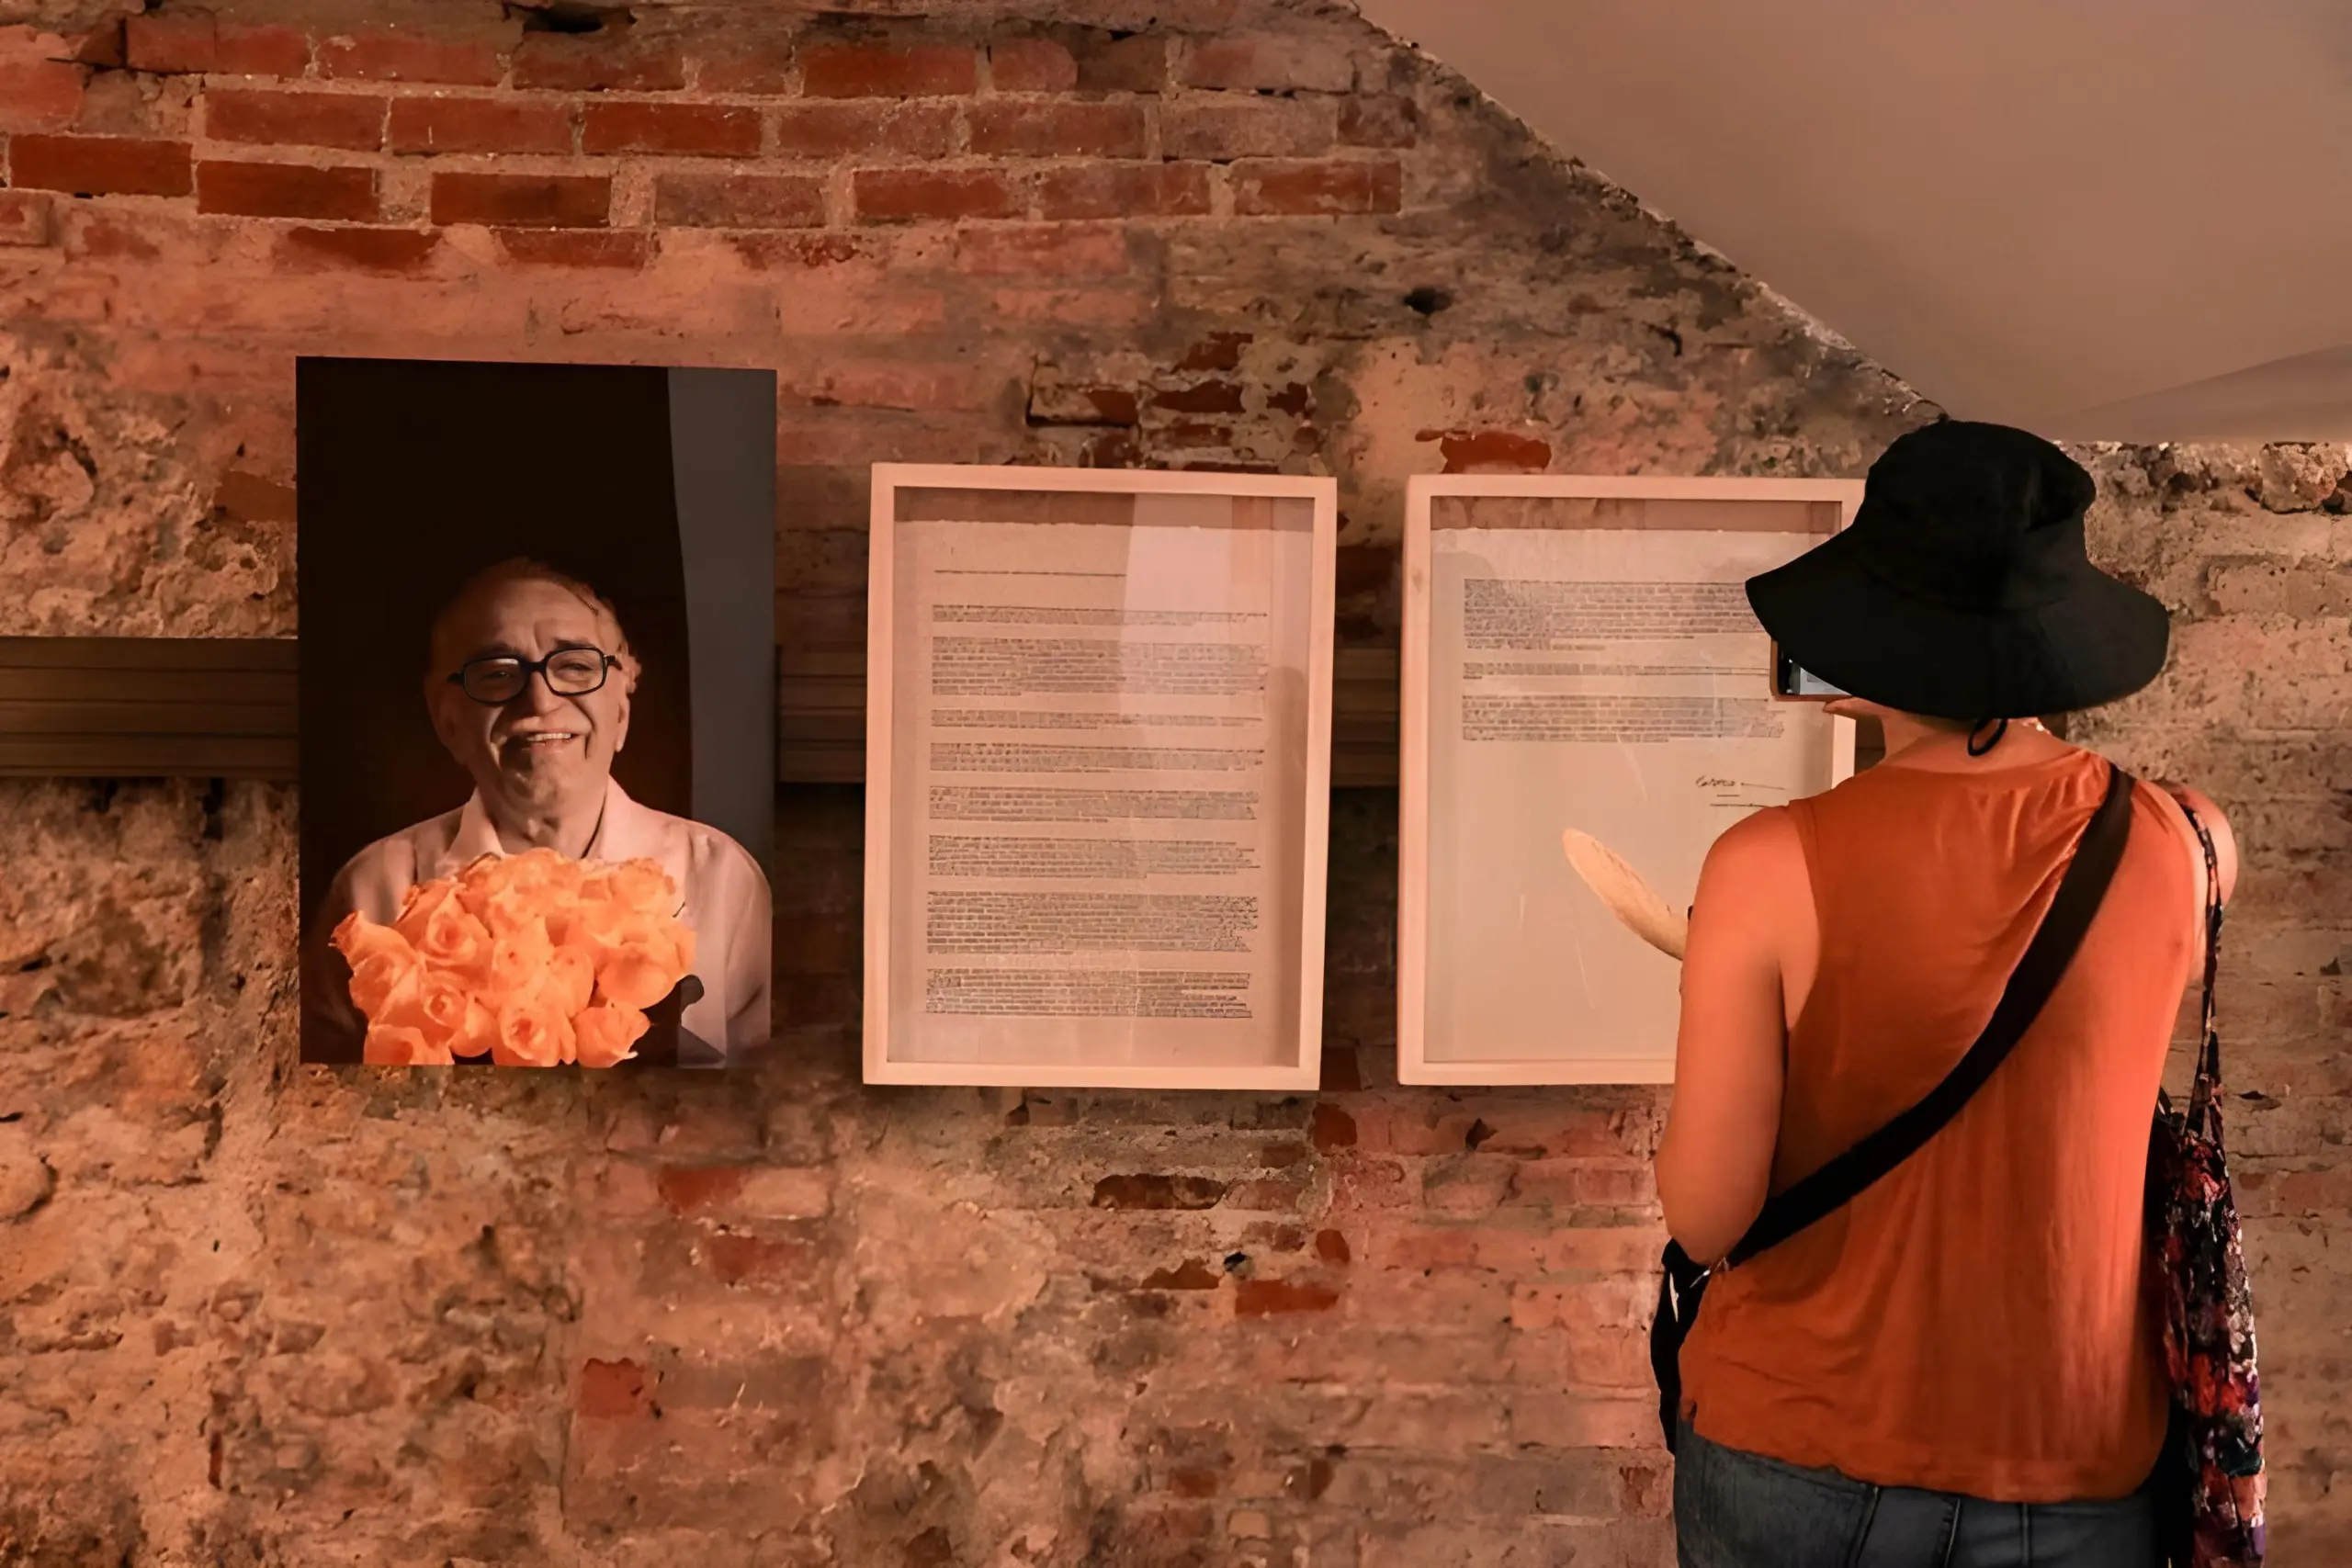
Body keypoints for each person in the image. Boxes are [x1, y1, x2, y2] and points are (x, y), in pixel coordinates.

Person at [1663, 421, 2237, 1566]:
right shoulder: (2193, 841)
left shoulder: (1764, 865)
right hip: (2073, 1455)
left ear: (1864, 635)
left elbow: (1708, 1217)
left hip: (1797, 1444)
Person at [300, 558, 771, 1066]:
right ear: (448, 720)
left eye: (575, 666)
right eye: (498, 674)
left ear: (621, 711)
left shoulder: (722, 878)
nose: (540, 700)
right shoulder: (372, 892)